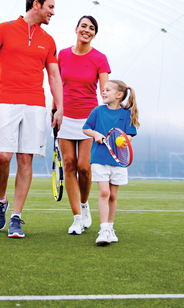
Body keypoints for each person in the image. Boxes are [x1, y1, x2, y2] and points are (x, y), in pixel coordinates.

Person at [0, 0, 63, 238]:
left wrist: (59, 107)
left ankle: (16, 216)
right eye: (50, 7)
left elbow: (55, 76)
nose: (52, 12)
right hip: (7, 101)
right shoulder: (3, 29)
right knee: (3, 156)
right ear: (36, 5)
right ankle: (1, 201)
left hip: (36, 105)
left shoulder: (48, 40)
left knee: (25, 159)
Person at [54, 15, 110, 235]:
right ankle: (77, 217)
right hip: (65, 117)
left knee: (83, 167)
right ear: (76, 28)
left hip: (89, 120)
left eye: (92, 28)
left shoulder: (100, 58)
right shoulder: (63, 55)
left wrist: (108, 118)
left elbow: (105, 93)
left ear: (94, 34)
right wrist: (54, 111)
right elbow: (57, 84)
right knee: (69, 164)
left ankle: (85, 205)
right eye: (84, 26)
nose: (87, 30)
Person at [82, 80, 139, 245]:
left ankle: (110, 228)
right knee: (104, 193)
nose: (103, 92)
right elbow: (86, 128)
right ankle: (104, 229)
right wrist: (95, 135)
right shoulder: (97, 111)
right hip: (99, 159)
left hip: (119, 161)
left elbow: (129, 134)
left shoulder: (127, 113)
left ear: (119, 95)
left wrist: (124, 140)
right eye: (103, 90)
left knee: (113, 195)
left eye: (107, 90)